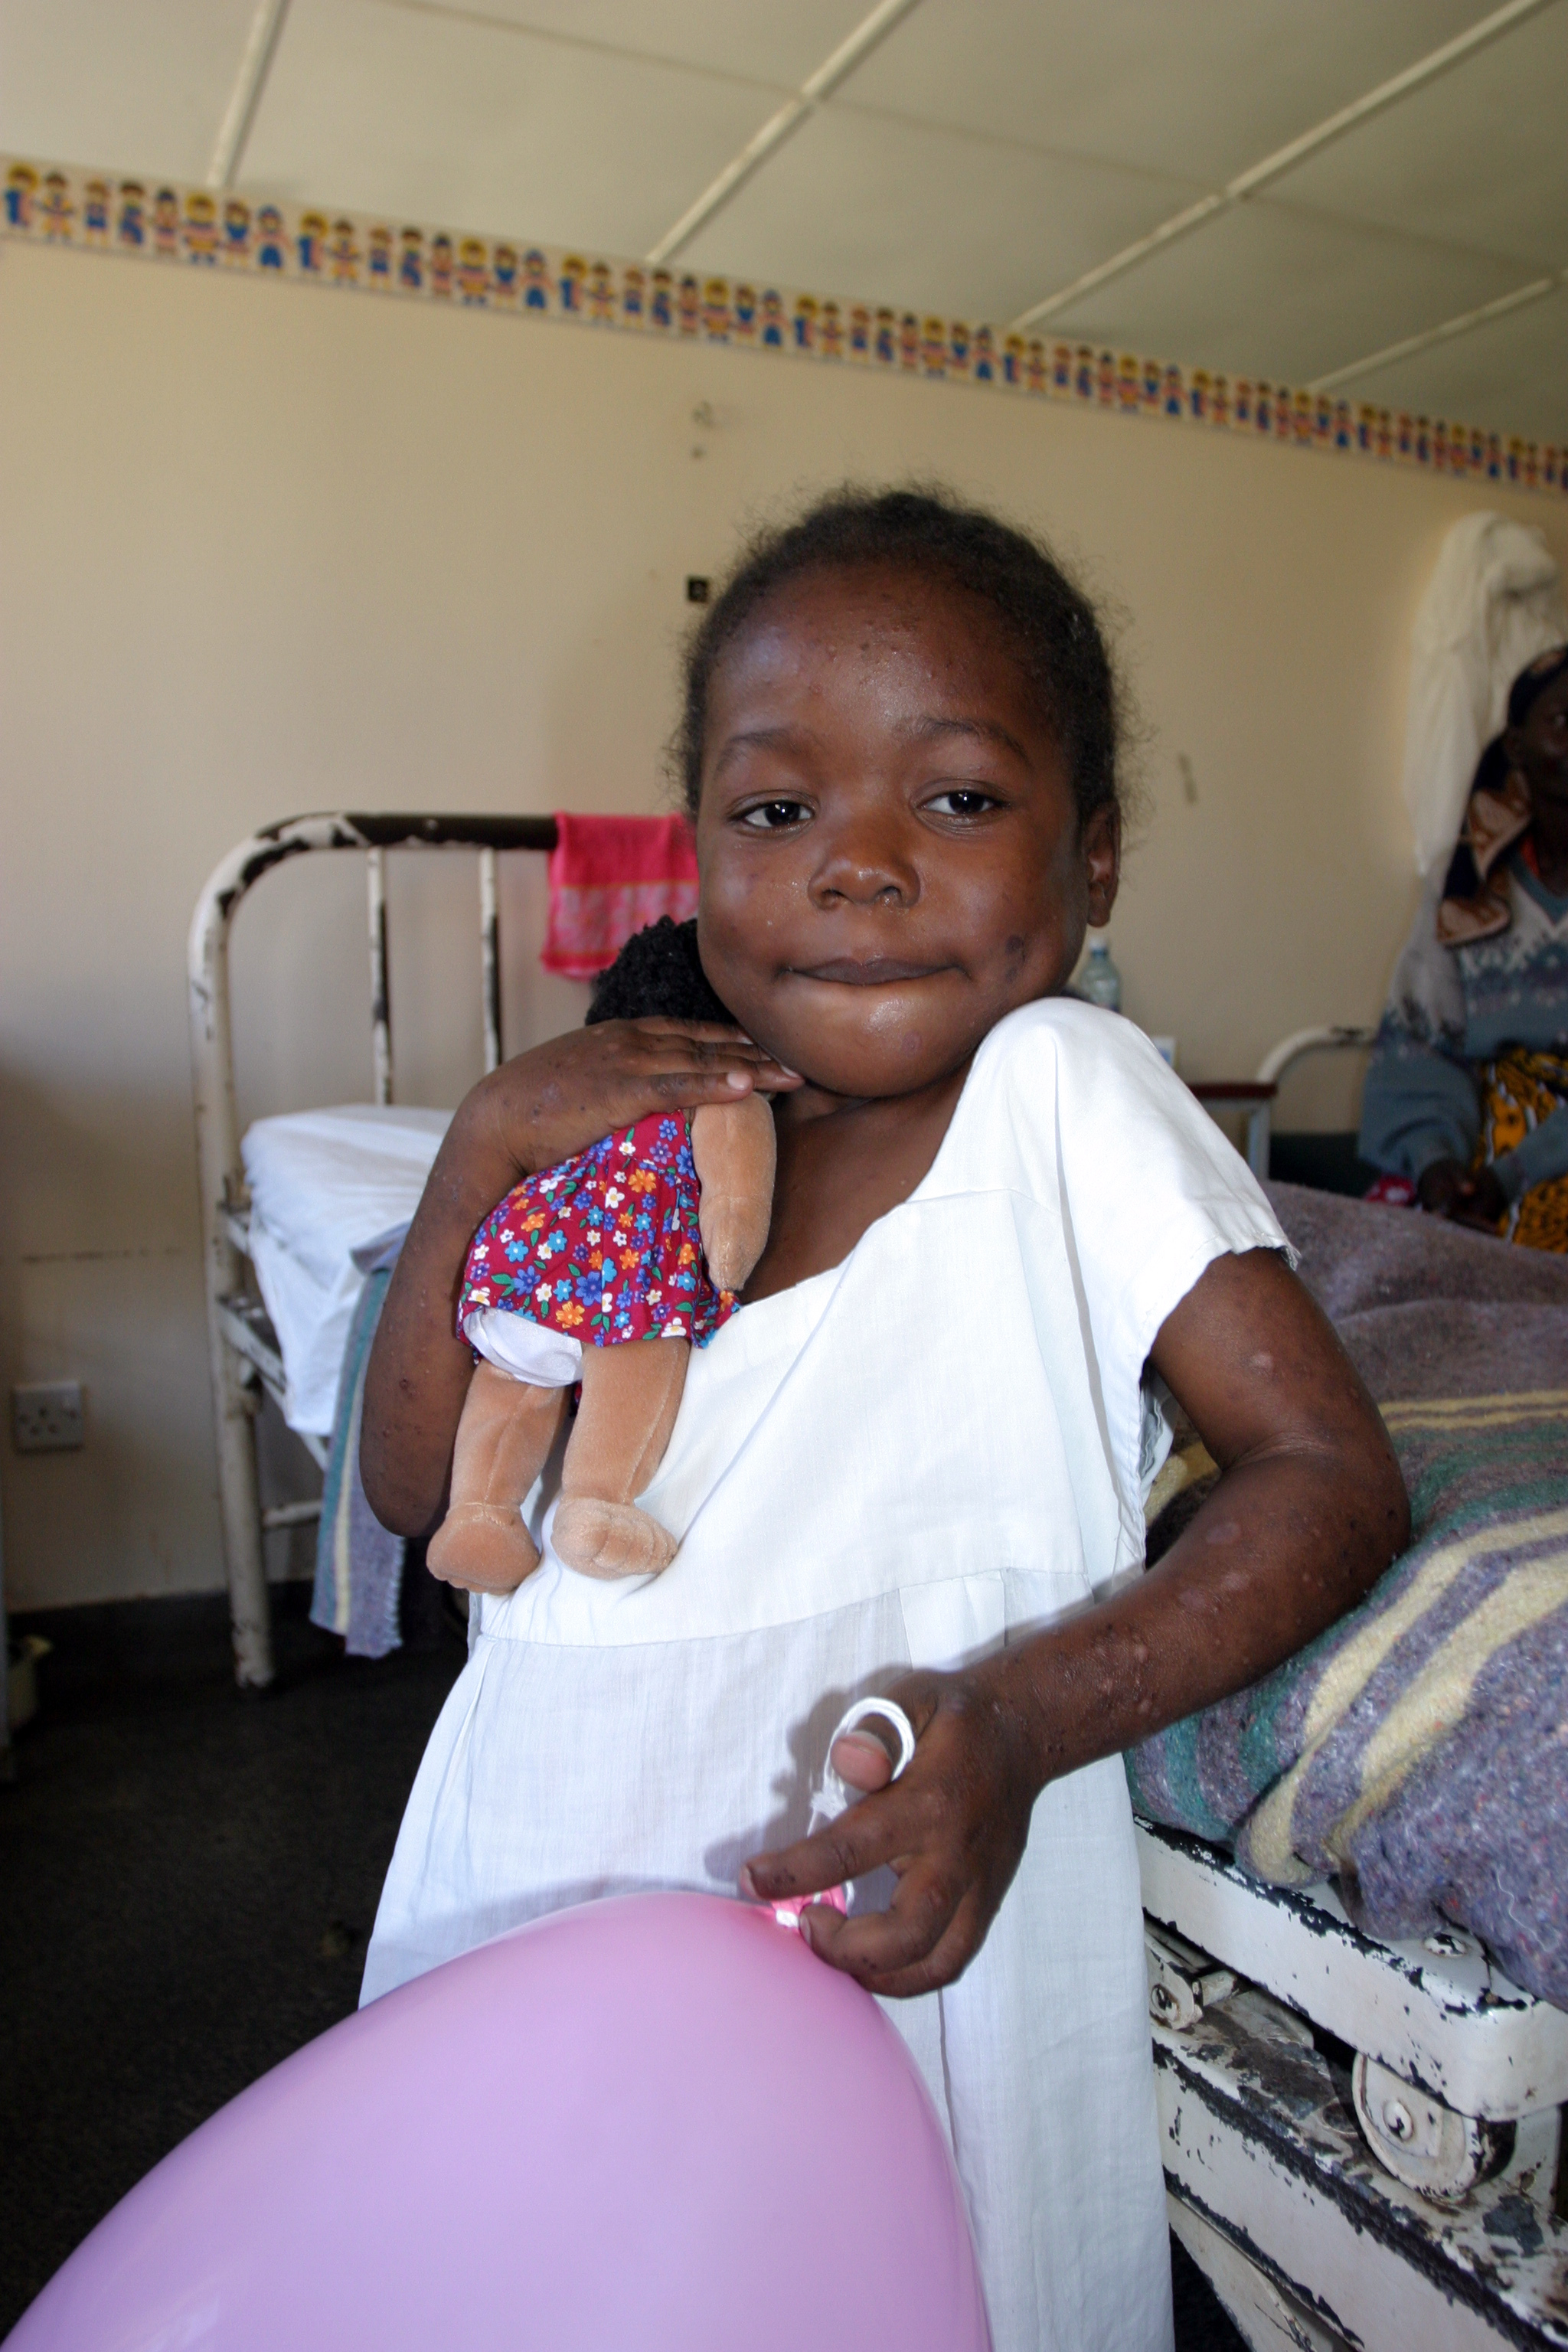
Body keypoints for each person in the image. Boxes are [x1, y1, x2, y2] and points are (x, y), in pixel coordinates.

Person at [358, 488, 1407, 2352]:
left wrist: (1021, 1720)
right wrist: (472, 1161)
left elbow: (1324, 1474)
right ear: (696, 851)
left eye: (957, 797)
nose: (856, 864)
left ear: (1094, 858)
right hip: (519, 1897)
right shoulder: (622, 1141)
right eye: (777, 811)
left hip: (888, 1957)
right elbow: (412, 1495)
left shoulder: (1059, 1093)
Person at [1361, 644, 1568, 1250]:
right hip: (1481, 1162)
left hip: (1527, 1170)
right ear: (1517, 748)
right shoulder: (1465, 890)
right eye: (1563, 721)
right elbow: (1422, 1043)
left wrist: (1515, 1175)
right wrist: (1438, 1167)